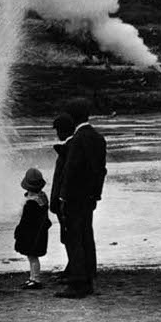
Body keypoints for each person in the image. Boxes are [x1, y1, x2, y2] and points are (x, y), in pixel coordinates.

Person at [55, 98, 107, 298]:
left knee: (74, 238)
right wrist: (96, 194)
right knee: (87, 236)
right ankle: (88, 279)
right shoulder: (98, 138)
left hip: (74, 198)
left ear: (72, 117)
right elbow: (100, 171)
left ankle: (78, 283)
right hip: (89, 198)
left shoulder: (77, 140)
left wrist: (63, 197)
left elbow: (71, 172)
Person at [14, 167, 52, 289]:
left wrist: (18, 231)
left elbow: (25, 221)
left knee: (32, 256)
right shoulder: (42, 198)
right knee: (33, 256)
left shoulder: (31, 203)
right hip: (39, 233)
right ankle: (33, 278)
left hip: (31, 235)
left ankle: (35, 279)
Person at [48, 112, 75, 275]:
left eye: (58, 130)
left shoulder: (69, 149)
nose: (57, 134)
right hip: (62, 200)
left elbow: (63, 178)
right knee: (68, 236)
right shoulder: (68, 148)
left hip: (64, 201)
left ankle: (73, 267)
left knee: (69, 236)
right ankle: (72, 266)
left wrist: (58, 200)